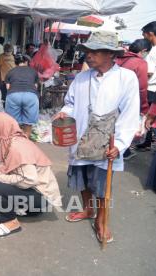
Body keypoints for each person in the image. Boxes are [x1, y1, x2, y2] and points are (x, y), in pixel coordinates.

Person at [55, 31, 140, 243]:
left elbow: (130, 113)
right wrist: (66, 112)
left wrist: (120, 144)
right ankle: (87, 210)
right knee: (82, 178)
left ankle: (101, 220)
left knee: (102, 185)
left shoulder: (125, 78)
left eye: (95, 52)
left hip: (106, 141)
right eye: (88, 51)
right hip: (81, 137)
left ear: (110, 54)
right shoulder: (82, 77)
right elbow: (71, 103)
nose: (89, 55)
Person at [0, 113, 62, 237]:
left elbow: (29, 179)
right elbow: (11, 167)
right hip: (36, 196)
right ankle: (26, 210)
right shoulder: (12, 140)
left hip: (41, 197)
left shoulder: (17, 147)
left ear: (0, 128)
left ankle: (10, 222)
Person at [116, 38, 151, 159]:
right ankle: (122, 151)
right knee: (124, 127)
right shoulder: (140, 63)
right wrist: (144, 107)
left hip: (110, 98)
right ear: (144, 50)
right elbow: (142, 88)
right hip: (127, 101)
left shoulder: (117, 58)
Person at [5, 54, 39, 139]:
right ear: (26, 62)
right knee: (28, 122)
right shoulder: (33, 71)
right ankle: (25, 140)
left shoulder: (10, 71)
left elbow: (8, 87)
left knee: (13, 121)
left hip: (13, 95)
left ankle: (15, 141)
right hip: (30, 95)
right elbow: (35, 86)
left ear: (15, 63)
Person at [138, 21, 156, 151]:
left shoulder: (153, 51)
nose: (144, 38)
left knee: (147, 116)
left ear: (150, 34)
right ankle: (148, 142)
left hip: (151, 89)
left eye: (144, 35)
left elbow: (149, 73)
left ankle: (146, 141)